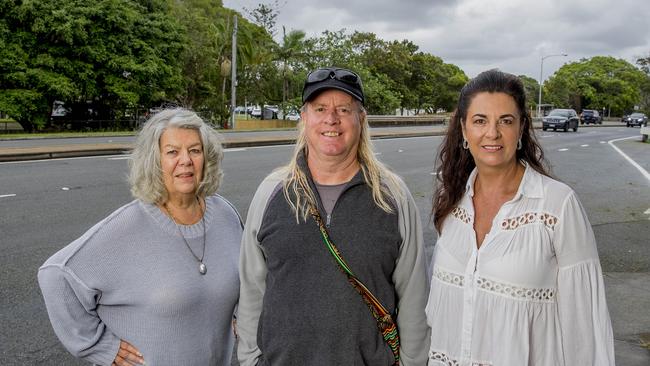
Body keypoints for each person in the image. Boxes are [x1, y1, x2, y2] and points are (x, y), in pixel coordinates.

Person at [237, 67, 430, 366]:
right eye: (320, 109)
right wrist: (250, 360)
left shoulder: (393, 195)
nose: (331, 119)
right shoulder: (271, 192)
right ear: (304, 118)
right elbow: (252, 289)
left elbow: (414, 295)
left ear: (361, 118)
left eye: (344, 109)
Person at [426, 69, 615, 365]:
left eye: (506, 121)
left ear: (522, 128)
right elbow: (438, 314)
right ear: (463, 129)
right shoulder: (451, 202)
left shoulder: (557, 205)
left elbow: (585, 328)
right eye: (480, 121)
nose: (492, 133)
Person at [38, 108, 242, 366]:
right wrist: (100, 347)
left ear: (206, 157)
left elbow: (241, 278)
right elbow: (56, 276)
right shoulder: (126, 226)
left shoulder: (226, 214)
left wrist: (238, 315)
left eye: (194, 150)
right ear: (154, 161)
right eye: (172, 152)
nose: (186, 160)